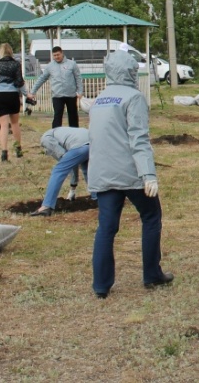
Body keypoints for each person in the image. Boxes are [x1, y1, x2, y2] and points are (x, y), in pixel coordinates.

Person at [87, 50, 171, 299]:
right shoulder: (134, 98)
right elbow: (139, 139)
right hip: (129, 172)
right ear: (130, 71)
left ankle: (101, 286)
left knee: (106, 228)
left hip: (102, 173)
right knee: (151, 216)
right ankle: (152, 274)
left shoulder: (100, 99)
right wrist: (148, 174)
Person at [29, 126, 91, 217]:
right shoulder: (61, 132)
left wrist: (73, 187)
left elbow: (64, 157)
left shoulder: (45, 138)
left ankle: (46, 206)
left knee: (58, 170)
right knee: (88, 170)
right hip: (93, 143)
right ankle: (97, 198)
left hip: (80, 146)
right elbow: (72, 163)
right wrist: (72, 189)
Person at [0, 43, 30, 163]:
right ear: (11, 52)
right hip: (12, 95)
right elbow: (19, 82)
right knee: (15, 123)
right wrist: (27, 94)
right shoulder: (16, 64)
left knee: (3, 125)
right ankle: (18, 149)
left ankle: (4, 152)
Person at [30, 45, 84, 128]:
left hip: (71, 95)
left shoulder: (72, 64)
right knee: (57, 116)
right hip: (57, 96)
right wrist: (33, 91)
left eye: (58, 55)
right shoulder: (50, 66)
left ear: (62, 53)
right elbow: (42, 79)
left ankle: (74, 134)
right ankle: (55, 134)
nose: (56, 57)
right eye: (54, 55)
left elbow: (78, 78)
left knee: (73, 116)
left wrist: (80, 91)